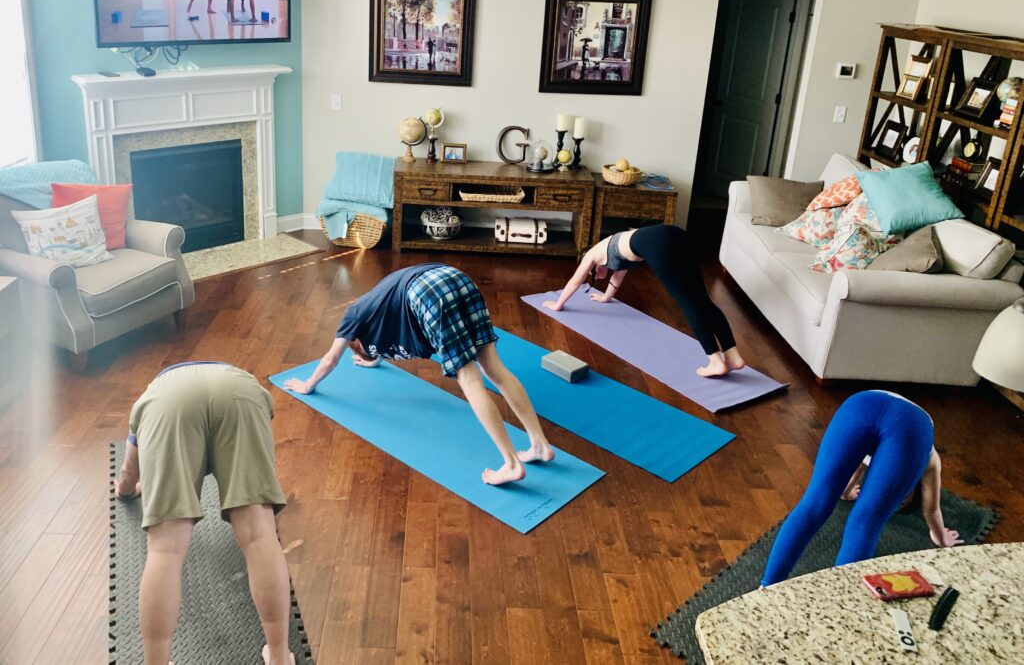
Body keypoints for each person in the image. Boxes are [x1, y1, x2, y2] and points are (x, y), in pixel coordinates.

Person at [284, 263, 555, 485]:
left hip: (428, 291)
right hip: (457, 278)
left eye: (360, 353)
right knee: (494, 367)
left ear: (357, 341)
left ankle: (511, 464)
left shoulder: (353, 315)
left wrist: (309, 384)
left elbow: (332, 358)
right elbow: (380, 346)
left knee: (469, 379)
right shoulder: (375, 309)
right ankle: (539, 445)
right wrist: (372, 359)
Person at [114, 362, 294, 665]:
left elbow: (129, 466)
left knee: (166, 550)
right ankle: (279, 656)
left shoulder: (154, 395)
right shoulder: (231, 377)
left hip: (169, 406)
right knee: (259, 536)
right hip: (243, 395)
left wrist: (125, 488)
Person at [761, 390, 963, 586]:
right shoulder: (929, 461)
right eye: (903, 497)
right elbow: (931, 510)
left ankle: (766, 589)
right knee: (864, 520)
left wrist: (847, 491)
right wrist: (940, 537)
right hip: (908, 424)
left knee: (818, 503)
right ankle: (836, 606)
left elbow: (855, 466)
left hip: (861, 404)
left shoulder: (888, 456)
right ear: (914, 484)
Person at [544, 224, 746, 377]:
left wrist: (558, 305)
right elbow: (618, 276)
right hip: (676, 234)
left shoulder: (592, 255)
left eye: (595, 275)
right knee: (702, 299)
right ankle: (733, 356)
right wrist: (606, 297)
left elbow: (574, 282)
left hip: (660, 243)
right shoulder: (615, 247)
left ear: (593, 268)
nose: (599, 276)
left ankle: (715, 361)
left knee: (689, 302)